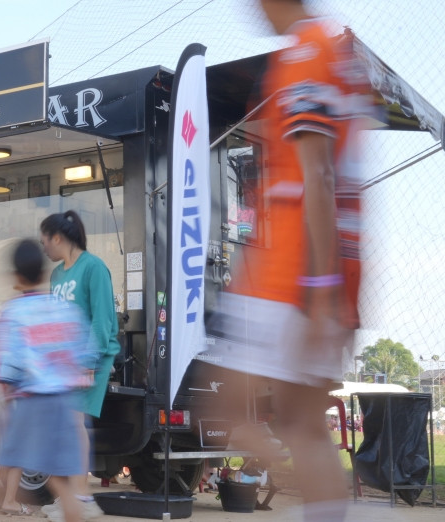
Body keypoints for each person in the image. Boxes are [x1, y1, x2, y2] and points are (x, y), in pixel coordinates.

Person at [204, 1, 372, 519]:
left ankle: (273, 467)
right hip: (323, 275)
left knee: (226, 409)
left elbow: (316, 175)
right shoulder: (335, 54)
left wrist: (317, 290)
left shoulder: (302, 56)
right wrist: (335, 293)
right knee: (302, 424)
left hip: (288, 279)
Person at [0, 239, 96, 520]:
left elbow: (9, 367)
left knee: (11, 471)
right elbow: (84, 357)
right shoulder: (65, 309)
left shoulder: (13, 312)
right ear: (44, 270)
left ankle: (9, 500)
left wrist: (2, 401)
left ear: (15, 276)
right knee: (59, 480)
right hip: (65, 402)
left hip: (32, 402)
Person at [39, 210, 120, 521]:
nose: (43, 246)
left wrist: (88, 362)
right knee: (62, 427)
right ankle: (70, 498)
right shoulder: (57, 274)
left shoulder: (94, 267)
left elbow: (102, 320)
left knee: (74, 425)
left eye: (44, 239)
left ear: (57, 238)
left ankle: (83, 499)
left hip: (90, 357)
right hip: (62, 360)